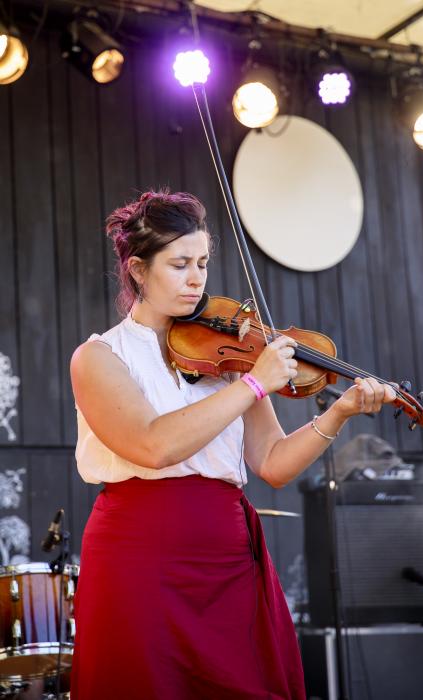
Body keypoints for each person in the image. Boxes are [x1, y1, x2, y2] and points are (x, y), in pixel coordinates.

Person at [69, 188, 396, 700]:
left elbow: (273, 462)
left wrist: (339, 411)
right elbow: (153, 446)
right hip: (138, 555)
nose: (196, 278)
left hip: (225, 557)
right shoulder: (100, 357)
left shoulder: (228, 356)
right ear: (137, 270)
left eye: (202, 263)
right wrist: (255, 383)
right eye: (179, 265)